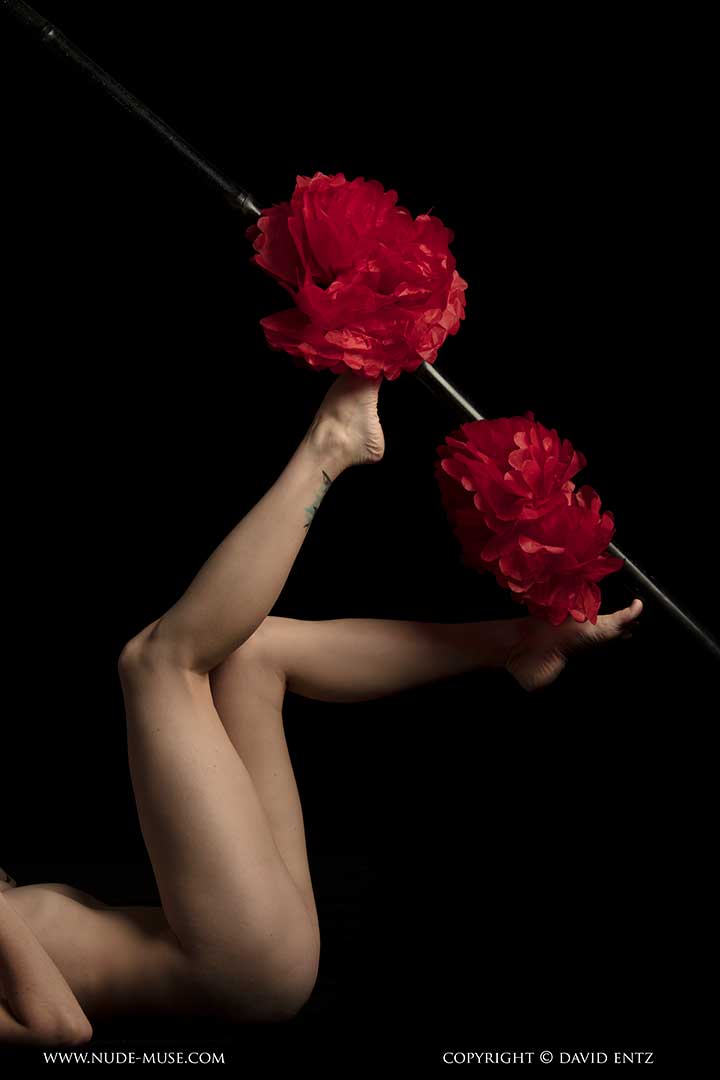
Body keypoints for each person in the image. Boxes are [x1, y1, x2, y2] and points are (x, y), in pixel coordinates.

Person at [0, 373, 643, 1046]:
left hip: (251, 936)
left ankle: (520, 644)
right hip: (236, 966)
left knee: (252, 655)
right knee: (156, 663)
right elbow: (63, 1031)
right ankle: (331, 446)